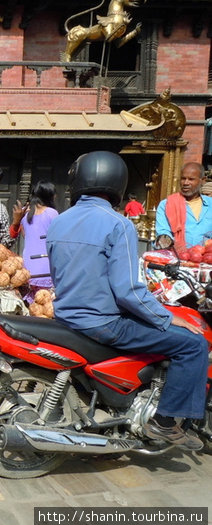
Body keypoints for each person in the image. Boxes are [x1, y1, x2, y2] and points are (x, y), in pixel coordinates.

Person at [46, 151, 207, 451]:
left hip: (67, 317)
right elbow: (129, 292)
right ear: (117, 183)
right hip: (105, 324)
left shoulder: (59, 221)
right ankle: (165, 422)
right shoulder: (118, 224)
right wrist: (166, 317)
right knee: (193, 344)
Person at [10, 180, 58, 293]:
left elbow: (20, 235)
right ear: (49, 196)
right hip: (46, 272)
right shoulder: (52, 213)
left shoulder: (25, 215)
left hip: (28, 271)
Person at [155, 162, 212, 250]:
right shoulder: (166, 204)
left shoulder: (210, 204)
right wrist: (165, 241)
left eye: (191, 179)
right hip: (177, 259)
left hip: (207, 259)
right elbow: (163, 231)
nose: (186, 183)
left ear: (202, 180)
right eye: (183, 179)